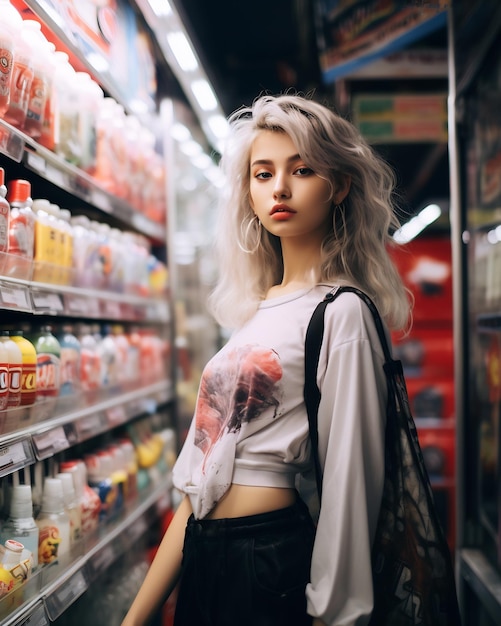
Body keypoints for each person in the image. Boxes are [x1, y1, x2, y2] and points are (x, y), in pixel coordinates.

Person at [121, 93, 411, 626]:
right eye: (262, 173)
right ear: (248, 193)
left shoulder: (342, 312)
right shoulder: (256, 314)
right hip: (205, 554)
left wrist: (335, 615)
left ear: (339, 185)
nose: (279, 187)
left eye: (301, 170)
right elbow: (196, 488)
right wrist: (135, 618)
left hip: (269, 563)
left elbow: (351, 486)